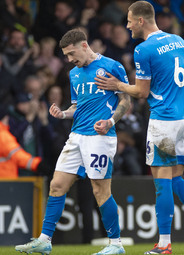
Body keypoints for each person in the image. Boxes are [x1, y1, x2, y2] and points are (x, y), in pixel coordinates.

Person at [94, 2, 184, 254]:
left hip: (164, 121)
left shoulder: (143, 49)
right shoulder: (179, 40)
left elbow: (141, 92)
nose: (127, 25)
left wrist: (117, 85)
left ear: (141, 20)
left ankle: (164, 244)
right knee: (175, 178)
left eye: (129, 20)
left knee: (162, 182)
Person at [15, 28, 130, 255]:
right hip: (76, 136)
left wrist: (111, 121)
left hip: (100, 137)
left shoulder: (112, 66)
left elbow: (126, 101)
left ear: (84, 46)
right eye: (66, 56)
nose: (69, 60)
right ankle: (45, 240)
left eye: (70, 54)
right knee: (57, 185)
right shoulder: (74, 74)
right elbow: (77, 106)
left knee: (101, 191)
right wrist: (63, 114)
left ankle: (116, 244)